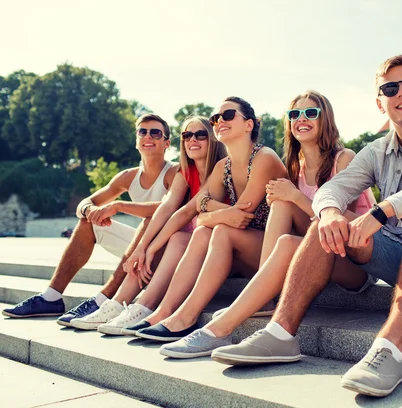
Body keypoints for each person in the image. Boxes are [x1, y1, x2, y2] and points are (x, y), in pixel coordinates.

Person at [210, 55, 402, 398]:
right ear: (380, 103)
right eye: (390, 88)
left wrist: (384, 210)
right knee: (328, 223)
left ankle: (389, 351)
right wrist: (331, 212)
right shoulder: (377, 151)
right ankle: (280, 333)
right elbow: (335, 189)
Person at [159, 90, 377, 358]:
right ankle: (190, 314)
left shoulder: (344, 159)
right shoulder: (294, 166)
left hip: (356, 261)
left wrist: (295, 196)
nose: (301, 119)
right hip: (314, 252)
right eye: (294, 114)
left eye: (311, 113)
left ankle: (237, 315)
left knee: (285, 206)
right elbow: (196, 211)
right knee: (236, 229)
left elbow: (344, 227)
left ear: (325, 119)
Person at [128, 96, 287, 342]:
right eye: (216, 118)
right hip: (247, 253)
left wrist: (210, 211)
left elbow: (242, 215)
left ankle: (186, 318)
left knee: (219, 230)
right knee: (204, 231)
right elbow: (198, 213)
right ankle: (165, 311)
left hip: (274, 256)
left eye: (228, 115)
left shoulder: (264, 157)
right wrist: (217, 213)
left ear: (249, 125)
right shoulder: (223, 165)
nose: (220, 121)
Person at [2, 114, 178, 327]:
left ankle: (103, 300)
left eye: (156, 133)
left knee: (149, 220)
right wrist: (91, 211)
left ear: (167, 143)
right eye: (143, 131)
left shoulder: (174, 172)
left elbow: (168, 209)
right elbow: (86, 203)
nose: (148, 136)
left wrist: (118, 206)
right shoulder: (127, 177)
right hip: (140, 248)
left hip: (170, 252)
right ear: (136, 140)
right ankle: (51, 297)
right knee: (87, 223)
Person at [68, 116, 226, 331]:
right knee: (170, 237)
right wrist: (142, 249)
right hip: (190, 240)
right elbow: (168, 207)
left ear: (213, 140)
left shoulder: (220, 168)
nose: (192, 140)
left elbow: (183, 213)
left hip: (219, 244)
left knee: (178, 235)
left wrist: (145, 244)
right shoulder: (184, 172)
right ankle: (117, 304)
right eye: (187, 135)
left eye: (200, 135)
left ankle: (145, 305)